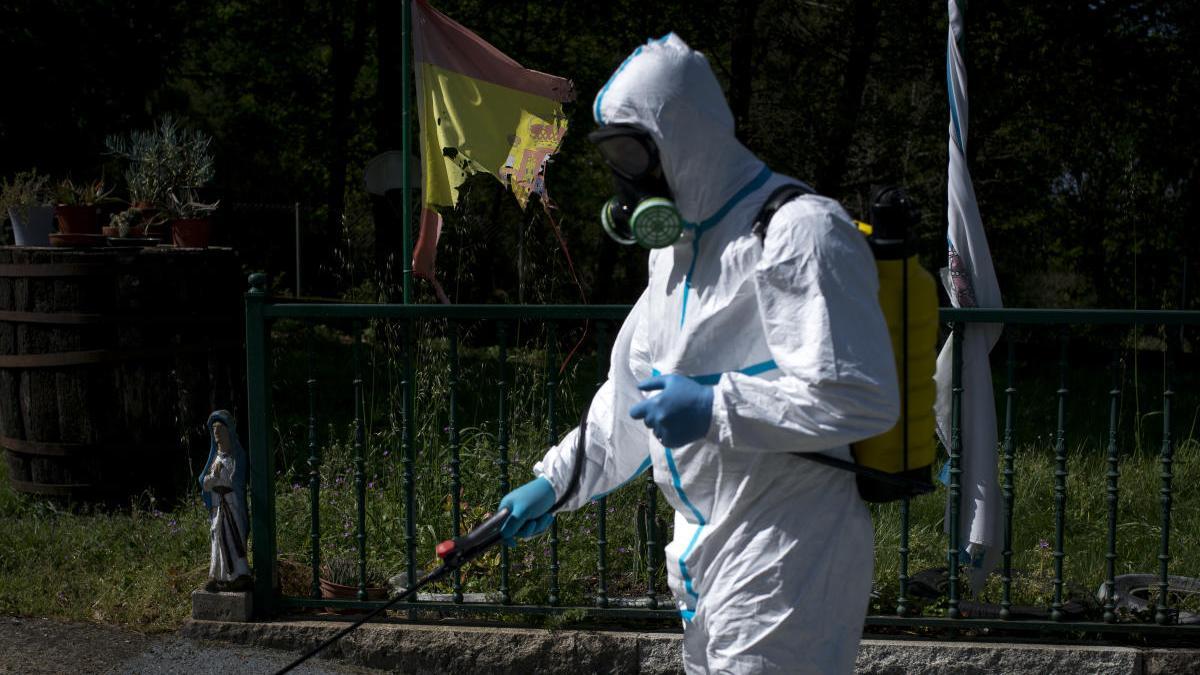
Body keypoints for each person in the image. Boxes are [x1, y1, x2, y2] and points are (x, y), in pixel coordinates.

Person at [497, 34, 899, 674]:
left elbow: (863, 396)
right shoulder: (673, 254)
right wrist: (555, 481)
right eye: (614, 156)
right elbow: (629, 400)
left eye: (633, 150)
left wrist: (716, 408)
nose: (626, 176)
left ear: (682, 135)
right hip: (702, 557)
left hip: (788, 554)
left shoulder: (799, 231)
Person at [200, 410, 252, 592]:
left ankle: (240, 574)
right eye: (215, 432)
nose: (217, 435)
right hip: (218, 509)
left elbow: (234, 481)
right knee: (218, 541)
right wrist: (213, 478)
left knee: (233, 540)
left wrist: (219, 479)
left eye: (220, 430)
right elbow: (205, 482)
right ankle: (218, 576)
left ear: (228, 432)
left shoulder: (237, 457)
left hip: (232, 507)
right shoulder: (215, 458)